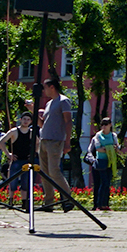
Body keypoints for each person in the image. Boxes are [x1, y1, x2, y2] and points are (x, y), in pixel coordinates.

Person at [36, 79, 72, 212]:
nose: (44, 91)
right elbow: (42, 124)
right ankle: (48, 202)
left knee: (54, 171)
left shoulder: (63, 101)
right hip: (44, 140)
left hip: (55, 141)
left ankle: (68, 199)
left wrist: (67, 142)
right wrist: (32, 111)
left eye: (45, 88)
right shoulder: (49, 103)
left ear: (52, 87)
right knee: (44, 173)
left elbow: (68, 121)